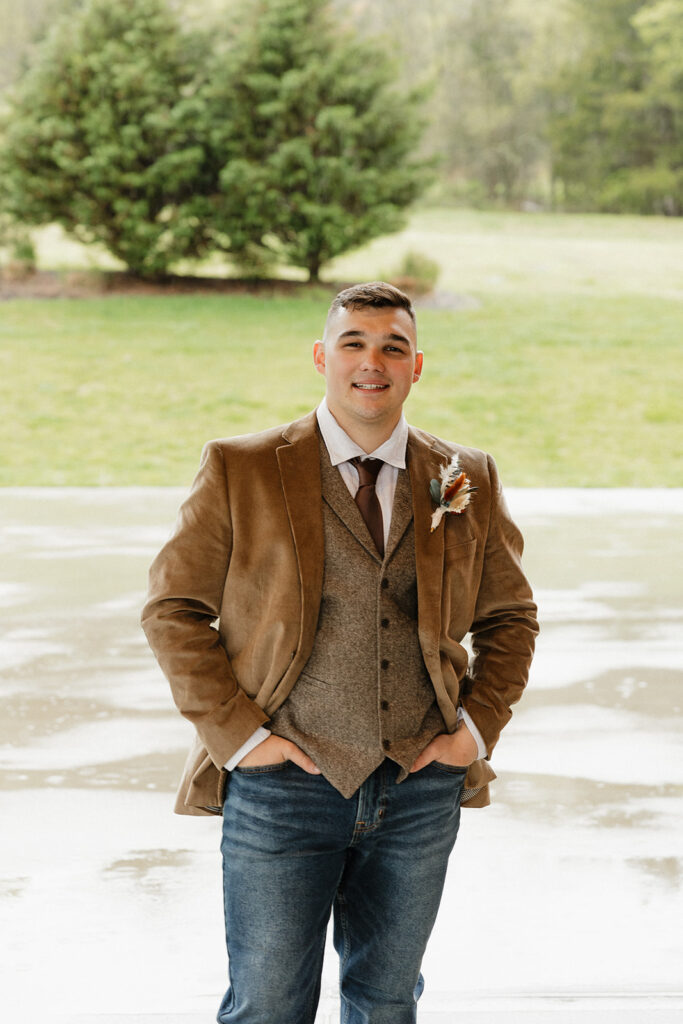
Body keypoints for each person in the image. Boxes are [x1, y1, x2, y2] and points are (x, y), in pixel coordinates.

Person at [141, 281, 538, 1024]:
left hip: (420, 789)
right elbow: (173, 609)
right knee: (266, 1006)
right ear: (322, 356)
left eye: (393, 347)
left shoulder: (462, 476)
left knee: (386, 1004)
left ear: (416, 366)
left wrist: (473, 731)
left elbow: (510, 616)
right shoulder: (242, 466)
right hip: (280, 788)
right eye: (353, 343)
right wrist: (241, 737)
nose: (372, 362)